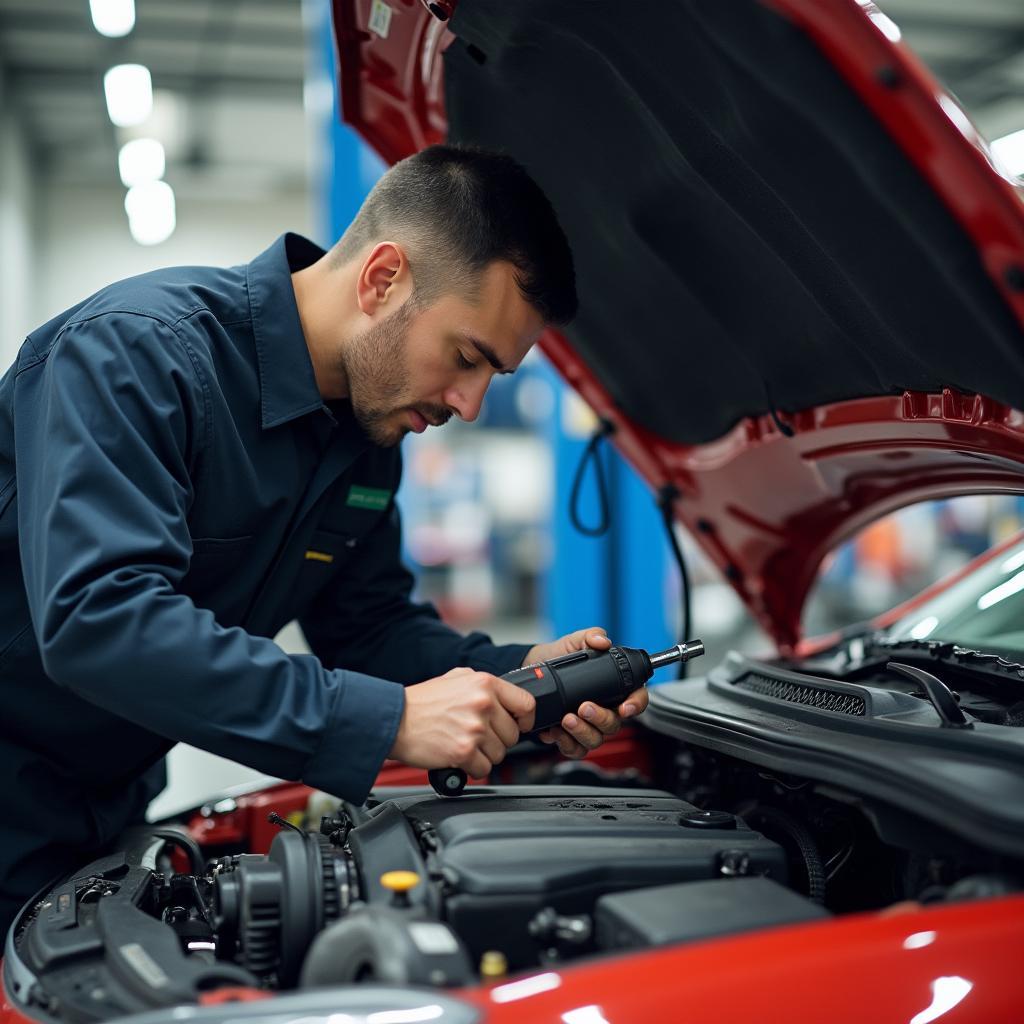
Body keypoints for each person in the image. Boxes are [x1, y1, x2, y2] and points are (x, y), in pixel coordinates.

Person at [0, 144, 648, 933]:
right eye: (467, 357)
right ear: (383, 279)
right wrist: (387, 723)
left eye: (494, 378)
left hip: (98, 817)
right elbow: (100, 623)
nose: (471, 404)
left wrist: (515, 679)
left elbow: (369, 630)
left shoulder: (366, 439)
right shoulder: (136, 354)